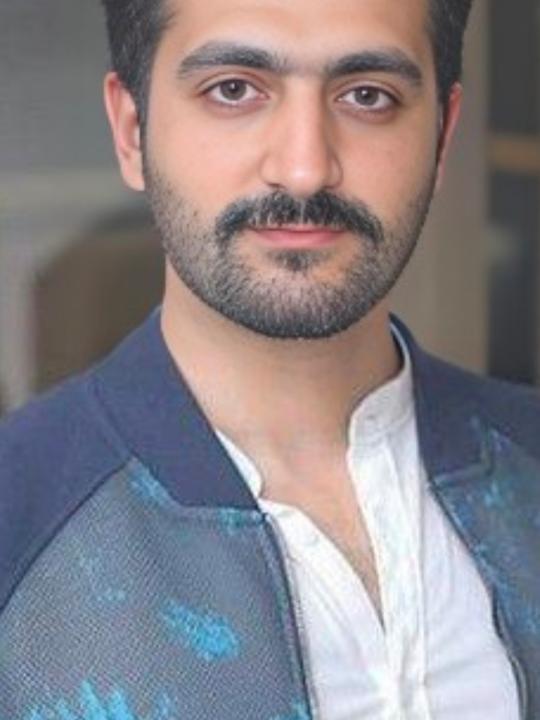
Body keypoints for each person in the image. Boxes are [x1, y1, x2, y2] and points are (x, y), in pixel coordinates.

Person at [0, 0, 539, 717]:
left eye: (367, 96)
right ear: (132, 132)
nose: (305, 169)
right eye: (234, 89)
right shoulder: (18, 518)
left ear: (442, 136)